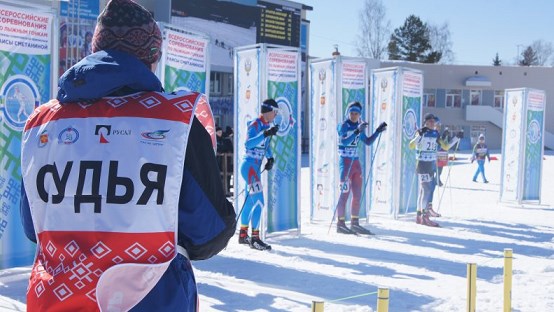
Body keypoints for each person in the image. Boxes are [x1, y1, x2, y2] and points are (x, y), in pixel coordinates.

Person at [20, 1, 235, 311]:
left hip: (57, 299)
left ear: (94, 50)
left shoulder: (43, 122)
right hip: (151, 299)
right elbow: (209, 231)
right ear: (153, 56)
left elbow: (34, 227)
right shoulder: (174, 121)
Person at [335, 102, 387, 235]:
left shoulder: (358, 126)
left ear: (359, 114)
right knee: (344, 195)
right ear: (348, 113)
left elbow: (368, 142)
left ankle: (355, 223)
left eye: (356, 113)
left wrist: (377, 131)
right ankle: (340, 224)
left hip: (356, 164)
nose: (353, 116)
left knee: (357, 195)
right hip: (345, 163)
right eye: (351, 113)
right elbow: (344, 141)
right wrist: (357, 131)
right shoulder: (344, 125)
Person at [238, 98, 279, 251]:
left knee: (250, 201)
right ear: (268, 111)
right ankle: (255, 238)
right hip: (249, 166)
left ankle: (243, 234)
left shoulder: (267, 125)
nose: (275, 115)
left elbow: (265, 145)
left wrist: (270, 157)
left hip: (255, 167)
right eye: (274, 112)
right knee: (260, 202)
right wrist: (265, 133)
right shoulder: (255, 124)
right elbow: (248, 144)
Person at [409, 113, 461, 227]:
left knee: (424, 190)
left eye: (434, 122)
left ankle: (419, 215)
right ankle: (424, 216)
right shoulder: (421, 131)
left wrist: (456, 138)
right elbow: (411, 145)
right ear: (426, 122)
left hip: (431, 164)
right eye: (430, 122)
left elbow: (445, 147)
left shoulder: (435, 133)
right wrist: (419, 136)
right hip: (422, 164)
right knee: (426, 190)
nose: (433, 123)